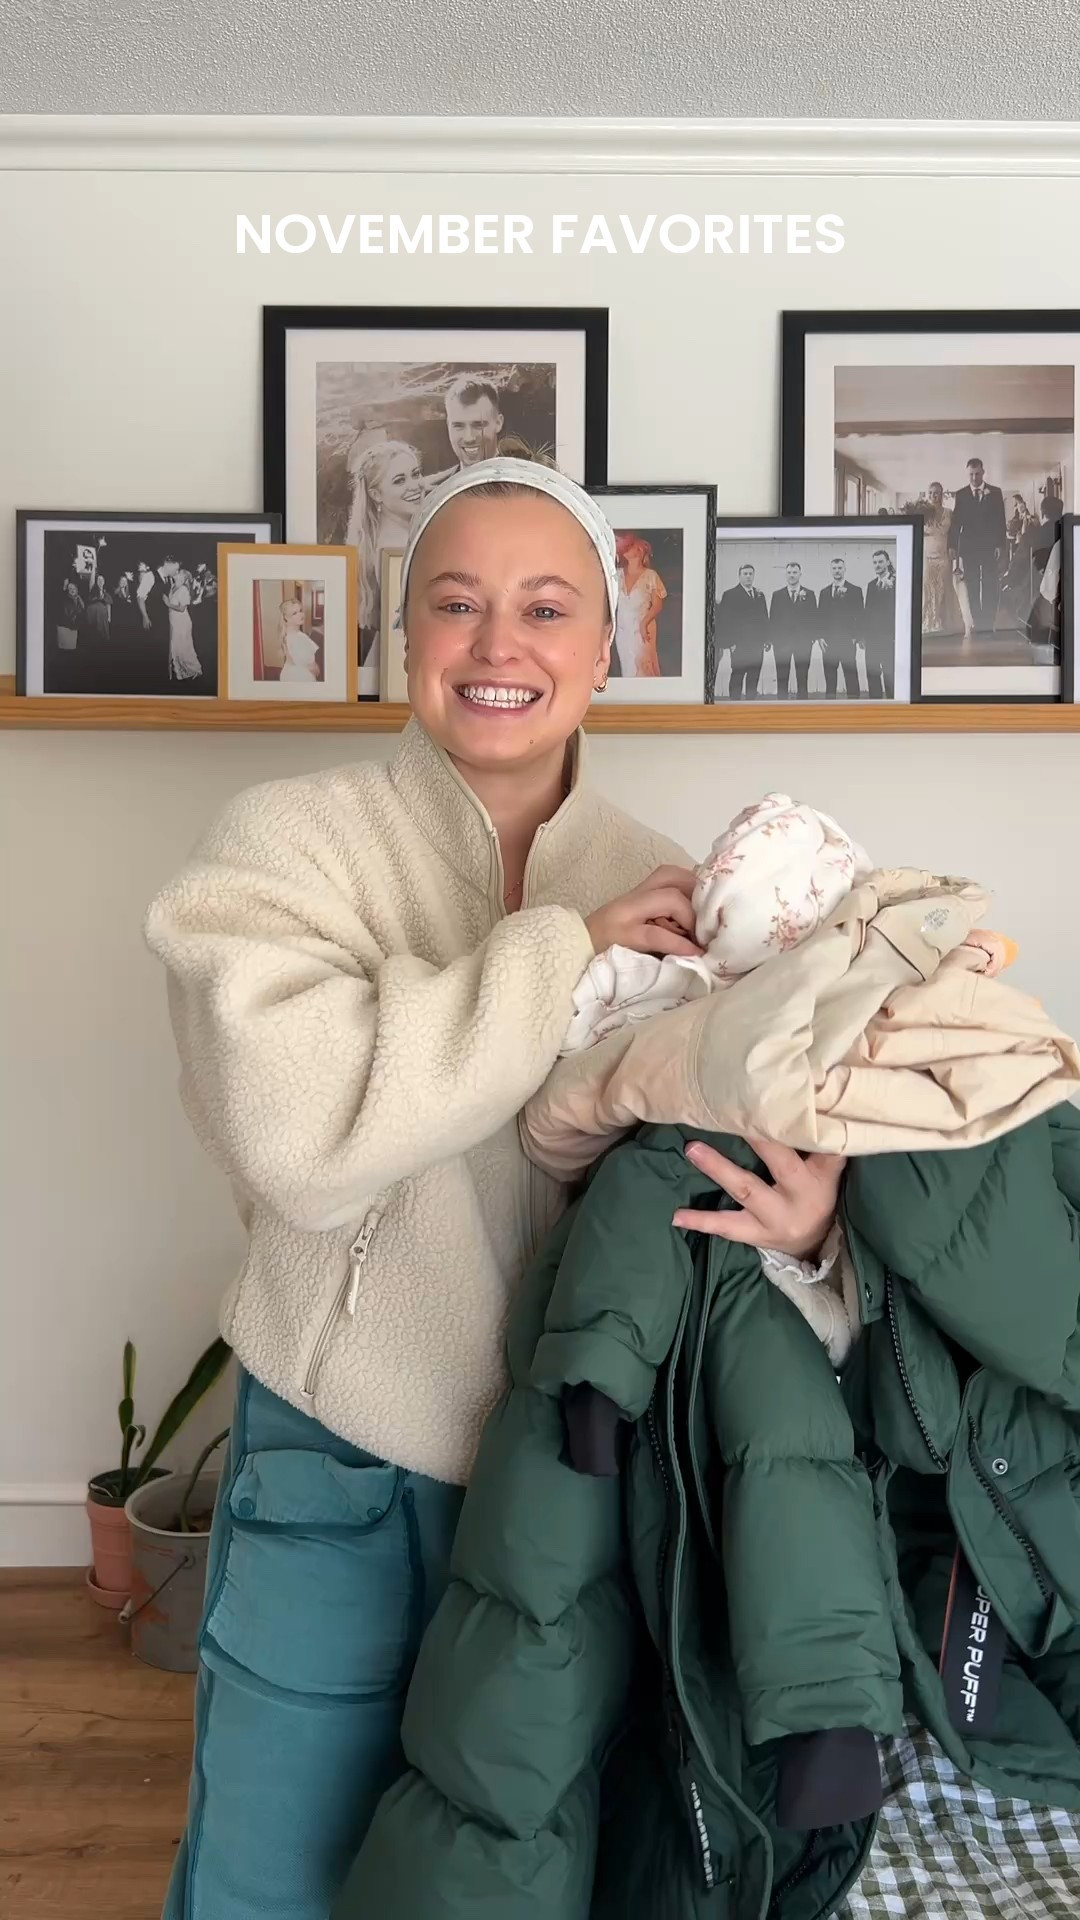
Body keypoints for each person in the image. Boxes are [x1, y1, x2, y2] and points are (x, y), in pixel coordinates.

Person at [144, 453, 845, 1920]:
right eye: (456, 604)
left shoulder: (674, 881)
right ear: (402, 637)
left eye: (545, 606)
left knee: (518, 1874)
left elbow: (709, 1159)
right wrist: (564, 957)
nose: (497, 644)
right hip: (343, 1455)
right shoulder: (283, 845)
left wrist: (804, 1232)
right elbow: (297, 1132)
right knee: (272, 1875)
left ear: (610, 645)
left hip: (583, 1485)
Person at [344, 438, 425, 661]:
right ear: (376, 494)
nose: (415, 486)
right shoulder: (396, 547)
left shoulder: (381, 536)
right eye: (399, 481)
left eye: (416, 474)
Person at [948, 457, 1007, 634]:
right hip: (969, 548)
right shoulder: (961, 494)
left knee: (990, 583)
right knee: (972, 584)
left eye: (977, 474)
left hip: (990, 547)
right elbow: (956, 523)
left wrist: (1000, 544)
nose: (974, 478)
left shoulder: (995, 492)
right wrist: (952, 545)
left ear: (983, 472)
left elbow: (1000, 521)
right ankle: (977, 621)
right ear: (968, 474)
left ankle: (989, 621)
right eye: (971, 474)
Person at [613, 531, 665, 677]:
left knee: (644, 669)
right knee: (627, 669)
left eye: (629, 546)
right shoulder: (617, 575)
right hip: (623, 632)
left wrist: (644, 623)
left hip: (643, 631)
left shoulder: (650, 575)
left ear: (640, 550)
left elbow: (657, 605)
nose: (625, 549)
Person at [767, 559, 817, 699]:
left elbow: (814, 617)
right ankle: (781, 707)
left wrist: (811, 638)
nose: (792, 575)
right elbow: (773, 619)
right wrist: (773, 640)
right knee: (782, 677)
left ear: (800, 574)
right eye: (789, 572)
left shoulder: (810, 594)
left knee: (802, 677)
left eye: (795, 572)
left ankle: (803, 706)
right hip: (782, 644)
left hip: (803, 643)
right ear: (785, 574)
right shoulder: (777, 595)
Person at [718, 561, 768, 698]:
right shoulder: (730, 594)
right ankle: (734, 705)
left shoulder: (759, 595)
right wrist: (730, 644)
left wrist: (766, 639)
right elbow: (725, 621)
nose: (748, 576)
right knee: (737, 676)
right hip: (739, 645)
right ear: (739, 576)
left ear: (754, 576)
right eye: (745, 574)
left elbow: (764, 618)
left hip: (757, 645)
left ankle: (750, 704)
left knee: (754, 677)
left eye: (750, 574)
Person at [920, 481, 964, 635]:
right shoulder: (922, 513)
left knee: (944, 587)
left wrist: (953, 548)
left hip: (944, 555)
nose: (933, 495)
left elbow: (954, 533)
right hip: (927, 555)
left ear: (941, 494)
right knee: (927, 587)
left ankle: (944, 622)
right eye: (931, 493)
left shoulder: (949, 512)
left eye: (936, 493)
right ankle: (929, 622)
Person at [817, 555, 863, 697]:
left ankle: (855, 706)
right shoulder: (824, 592)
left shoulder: (855, 590)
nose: (837, 571)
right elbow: (820, 616)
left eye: (839, 568)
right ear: (831, 570)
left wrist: (855, 637)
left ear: (844, 569)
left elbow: (860, 615)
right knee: (830, 679)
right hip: (829, 643)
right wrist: (820, 637)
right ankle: (830, 707)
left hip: (847, 641)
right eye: (834, 568)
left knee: (851, 678)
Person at [862, 546, 895, 698]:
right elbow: (867, 612)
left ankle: (892, 705)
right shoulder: (871, 585)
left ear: (888, 562)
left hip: (889, 638)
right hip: (873, 639)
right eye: (875, 562)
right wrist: (864, 636)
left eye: (880, 562)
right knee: (872, 673)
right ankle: (874, 705)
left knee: (890, 674)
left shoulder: (897, 582)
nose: (877, 565)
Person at [162, 562, 202, 683]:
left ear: (183, 578)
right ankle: (178, 671)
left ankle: (194, 670)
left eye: (179, 573)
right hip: (173, 621)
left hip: (181, 622)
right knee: (175, 646)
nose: (176, 574)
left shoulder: (184, 589)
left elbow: (182, 608)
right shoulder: (173, 586)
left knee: (183, 647)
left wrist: (168, 604)